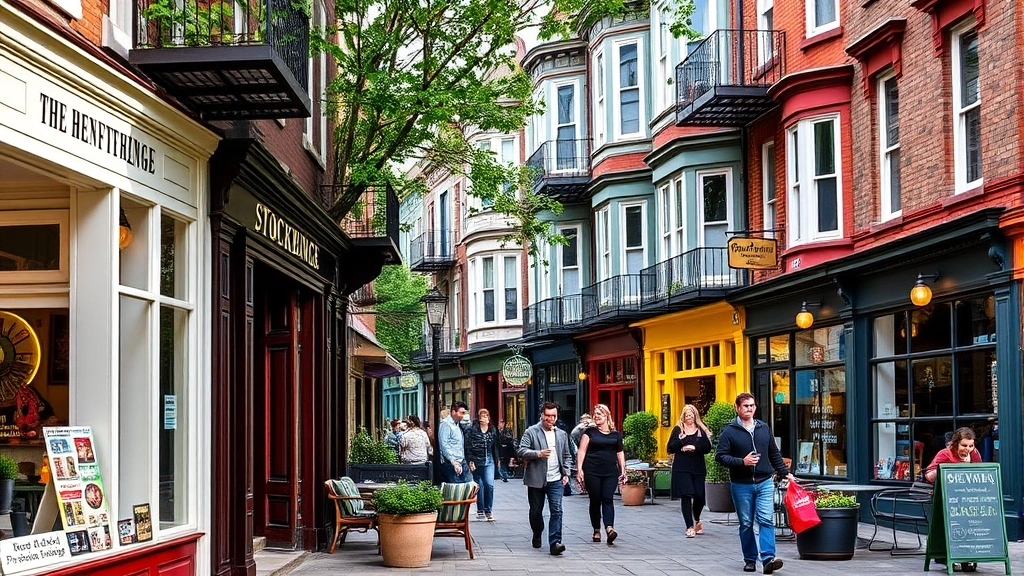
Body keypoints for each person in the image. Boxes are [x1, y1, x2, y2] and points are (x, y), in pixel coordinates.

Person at [715, 392, 795, 574]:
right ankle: (750, 559)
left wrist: (785, 473)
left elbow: (773, 452)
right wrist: (742, 462)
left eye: (752, 406)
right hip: (741, 484)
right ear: (737, 408)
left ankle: (768, 559)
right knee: (746, 523)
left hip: (765, 482)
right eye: (745, 406)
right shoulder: (729, 431)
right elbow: (720, 456)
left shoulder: (763, 428)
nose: (749, 409)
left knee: (766, 519)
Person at [518, 401, 573, 556]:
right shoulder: (531, 432)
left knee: (557, 510)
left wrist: (566, 473)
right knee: (536, 511)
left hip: (556, 479)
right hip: (536, 479)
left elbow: (567, 455)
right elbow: (521, 450)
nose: (551, 419)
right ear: (542, 416)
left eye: (553, 416)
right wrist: (538, 454)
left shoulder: (561, 434)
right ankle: (537, 532)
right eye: (548, 416)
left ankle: (555, 542)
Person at [924, 427, 981, 572]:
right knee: (951, 527)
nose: (967, 449)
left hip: (969, 499)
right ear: (956, 443)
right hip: (948, 498)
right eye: (964, 445)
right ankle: (948, 556)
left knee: (970, 527)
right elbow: (929, 475)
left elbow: (981, 471)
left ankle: (968, 558)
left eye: (970, 445)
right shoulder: (945, 454)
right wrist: (946, 469)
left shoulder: (974, 454)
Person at [575, 403, 626, 545]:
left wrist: (623, 469)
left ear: (607, 416)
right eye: (595, 414)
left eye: (600, 414)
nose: (596, 416)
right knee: (595, 499)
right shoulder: (589, 432)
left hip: (610, 471)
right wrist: (579, 469)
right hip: (592, 470)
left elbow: (619, 452)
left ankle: (609, 528)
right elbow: (582, 450)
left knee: (608, 498)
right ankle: (596, 529)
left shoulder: (616, 435)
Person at [667, 404, 713, 538]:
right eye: (687, 415)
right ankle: (689, 526)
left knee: (699, 496)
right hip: (682, 467)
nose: (689, 418)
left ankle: (697, 518)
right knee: (686, 496)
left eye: (691, 415)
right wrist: (681, 442)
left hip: (697, 467)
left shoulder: (700, 430)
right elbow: (670, 447)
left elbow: (707, 447)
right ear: (683, 417)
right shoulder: (678, 430)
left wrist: (694, 447)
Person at [465, 408, 501, 521]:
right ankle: (481, 510)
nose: (484, 419)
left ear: (489, 418)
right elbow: (468, 446)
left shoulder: (493, 430)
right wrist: (470, 460)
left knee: (489, 485)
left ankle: (488, 510)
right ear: (479, 418)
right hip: (477, 460)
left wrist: (498, 459)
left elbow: (496, 445)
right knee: (479, 485)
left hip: (489, 460)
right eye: (482, 417)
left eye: (486, 417)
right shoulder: (472, 430)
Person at [438, 401, 470, 483]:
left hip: (461, 460)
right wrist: (453, 461)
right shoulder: (446, 424)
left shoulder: (458, 424)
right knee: (456, 489)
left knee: (468, 487)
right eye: (461, 413)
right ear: (453, 412)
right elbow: (444, 444)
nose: (462, 416)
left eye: (464, 413)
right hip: (451, 463)